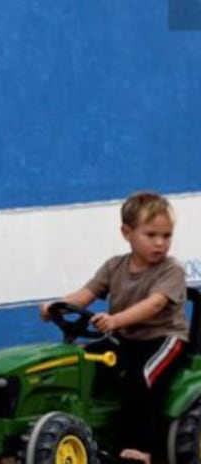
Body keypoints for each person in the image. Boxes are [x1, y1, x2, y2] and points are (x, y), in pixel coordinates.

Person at [41, 191, 188, 464]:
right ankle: (94, 433)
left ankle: (142, 448)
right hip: (125, 339)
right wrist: (56, 306)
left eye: (166, 236)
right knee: (84, 364)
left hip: (163, 337)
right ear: (126, 233)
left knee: (140, 376)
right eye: (151, 235)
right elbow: (85, 295)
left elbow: (154, 304)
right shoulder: (114, 266)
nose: (160, 243)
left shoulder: (172, 270)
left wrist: (115, 320)